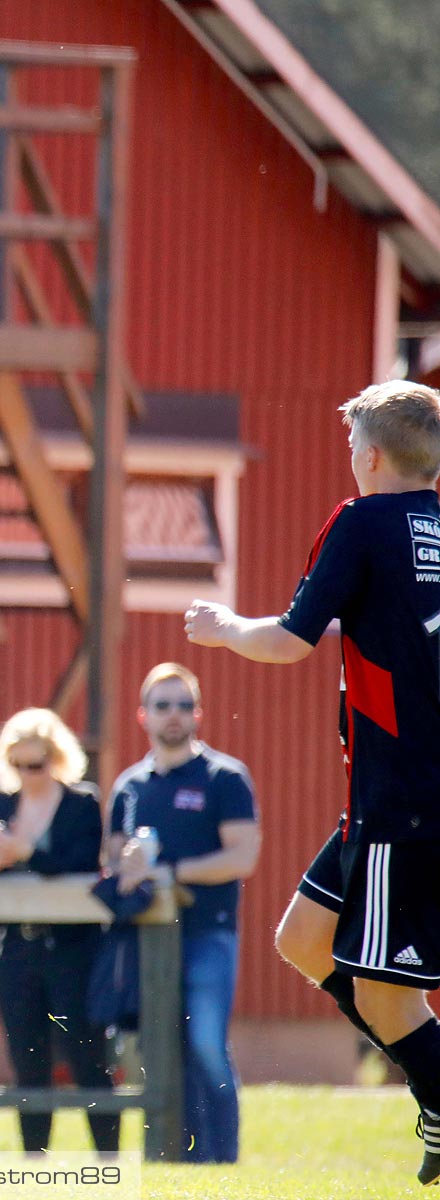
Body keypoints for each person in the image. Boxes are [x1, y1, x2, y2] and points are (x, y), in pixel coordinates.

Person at [186, 380, 440, 1182]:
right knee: (302, 941)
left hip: (405, 797)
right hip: (387, 798)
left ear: (368, 455)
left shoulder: (360, 520)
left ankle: (436, 1095)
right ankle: (432, 1093)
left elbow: (291, 640)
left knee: (386, 1000)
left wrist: (225, 630)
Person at [107, 663, 259, 1164]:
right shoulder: (129, 787)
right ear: (142, 716)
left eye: (182, 705)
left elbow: (242, 856)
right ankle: (172, 1159)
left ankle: (221, 1161)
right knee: (158, 1052)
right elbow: (112, 860)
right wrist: (126, 865)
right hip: (147, 940)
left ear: (199, 713)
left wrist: (172, 870)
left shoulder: (225, 777)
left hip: (206, 934)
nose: (173, 715)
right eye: (161, 705)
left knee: (206, 1045)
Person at [0, 708, 118, 1156]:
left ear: (56, 759)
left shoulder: (81, 802)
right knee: (28, 1063)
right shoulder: (3, 801)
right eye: (18, 766)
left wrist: (26, 851)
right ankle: (36, 1164)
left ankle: (107, 1160)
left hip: (71, 950)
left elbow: (81, 862)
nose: (27, 776)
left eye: (36, 765)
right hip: (16, 948)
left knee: (86, 1058)